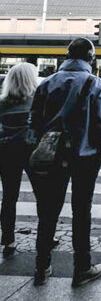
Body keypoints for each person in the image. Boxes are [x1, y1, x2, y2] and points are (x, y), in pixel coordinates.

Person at [29, 37, 101, 287]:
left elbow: (34, 121)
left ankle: (41, 267)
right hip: (85, 157)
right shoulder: (96, 84)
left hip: (53, 154)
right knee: (81, 210)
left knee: (48, 210)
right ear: (90, 58)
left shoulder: (47, 83)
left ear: (67, 56)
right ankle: (81, 268)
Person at [0, 63, 38, 258]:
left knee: (9, 197)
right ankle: (46, 235)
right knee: (43, 195)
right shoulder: (38, 102)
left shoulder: (2, 102)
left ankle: (8, 239)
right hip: (32, 152)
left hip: (6, 153)